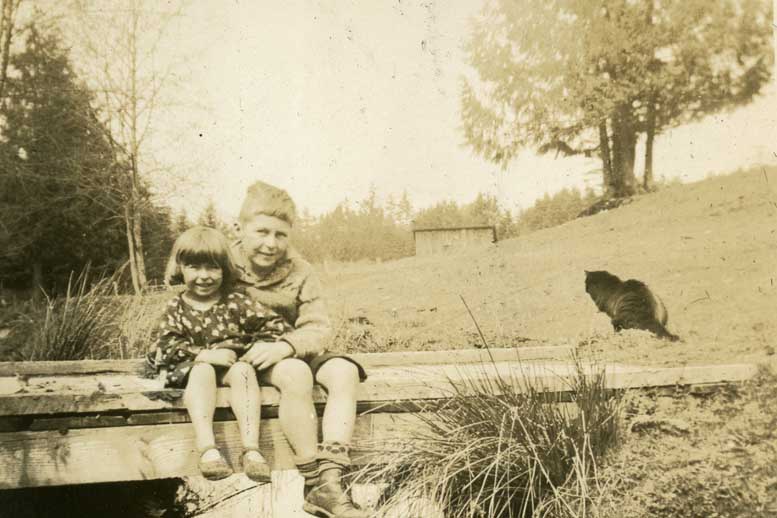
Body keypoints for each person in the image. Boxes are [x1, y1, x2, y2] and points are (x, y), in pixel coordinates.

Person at [234, 181, 369, 518]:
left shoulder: (300, 270)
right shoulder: (223, 265)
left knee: (344, 371)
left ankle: (331, 479)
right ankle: (311, 477)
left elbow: (317, 326)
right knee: (295, 373)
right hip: (250, 356)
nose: (271, 243)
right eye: (262, 232)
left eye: (281, 235)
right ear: (240, 229)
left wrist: (287, 345)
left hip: (292, 348)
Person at [148, 226, 291, 482]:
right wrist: (201, 354)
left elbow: (276, 327)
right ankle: (208, 449)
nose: (204, 276)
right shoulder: (176, 307)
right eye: (195, 267)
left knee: (243, 370)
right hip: (192, 372)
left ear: (224, 269)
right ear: (180, 268)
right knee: (203, 371)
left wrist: (256, 348)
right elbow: (161, 347)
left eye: (212, 268)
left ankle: (251, 449)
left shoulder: (236, 302)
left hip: (230, 369)